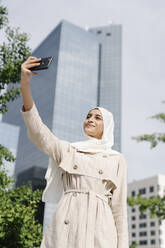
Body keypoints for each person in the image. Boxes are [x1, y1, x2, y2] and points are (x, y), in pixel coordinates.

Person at [20, 56, 129, 248]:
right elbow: (39, 132)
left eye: (97, 117)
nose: (90, 119)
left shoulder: (116, 159)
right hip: (66, 228)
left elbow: (119, 210)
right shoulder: (69, 150)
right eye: (88, 116)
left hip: (101, 234)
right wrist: (25, 84)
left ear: (108, 126)